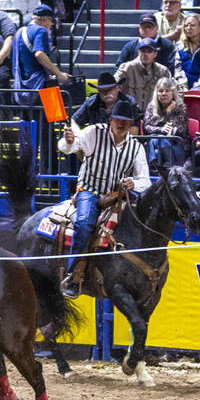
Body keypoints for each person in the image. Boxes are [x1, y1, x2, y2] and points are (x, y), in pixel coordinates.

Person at [56, 97, 151, 299]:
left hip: (117, 195)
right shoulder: (94, 132)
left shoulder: (136, 148)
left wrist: (134, 184)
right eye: (118, 119)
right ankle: (73, 275)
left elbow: (146, 181)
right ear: (111, 119)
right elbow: (69, 147)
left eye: (126, 120)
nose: (121, 123)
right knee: (83, 223)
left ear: (131, 123)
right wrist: (69, 140)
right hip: (90, 190)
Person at [114, 37, 174, 114]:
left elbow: (175, 89)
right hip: (129, 115)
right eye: (143, 51)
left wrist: (172, 104)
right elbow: (113, 85)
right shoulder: (127, 68)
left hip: (153, 115)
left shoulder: (163, 71)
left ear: (155, 54)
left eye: (149, 51)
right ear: (138, 52)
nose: (146, 54)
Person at [142, 77, 189, 168]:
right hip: (156, 141)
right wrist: (161, 129)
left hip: (176, 143)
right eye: (160, 91)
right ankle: (169, 167)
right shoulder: (151, 106)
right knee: (158, 139)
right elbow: (146, 126)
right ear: (157, 93)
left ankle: (153, 164)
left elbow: (180, 130)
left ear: (173, 93)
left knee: (157, 146)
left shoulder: (181, 107)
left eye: (167, 90)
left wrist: (169, 112)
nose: (164, 94)